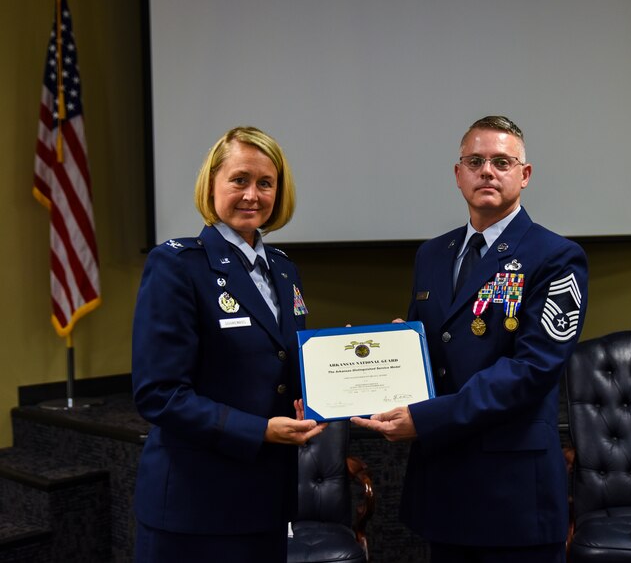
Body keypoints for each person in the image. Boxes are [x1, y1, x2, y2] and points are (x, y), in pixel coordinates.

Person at [352, 115, 588, 562]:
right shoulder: (432, 254)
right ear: (457, 174)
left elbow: (531, 371)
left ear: (525, 174)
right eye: (475, 160)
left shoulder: (555, 256)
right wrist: (387, 352)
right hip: (443, 481)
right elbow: (433, 349)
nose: (487, 170)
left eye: (502, 161)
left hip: (513, 489)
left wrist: (426, 418)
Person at [131, 126, 326, 562]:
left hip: (265, 504)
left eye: (265, 183)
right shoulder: (177, 265)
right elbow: (158, 394)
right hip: (195, 508)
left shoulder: (282, 269)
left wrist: (330, 378)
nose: (252, 195)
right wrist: (259, 430)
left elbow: (280, 366)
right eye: (239, 179)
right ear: (213, 184)